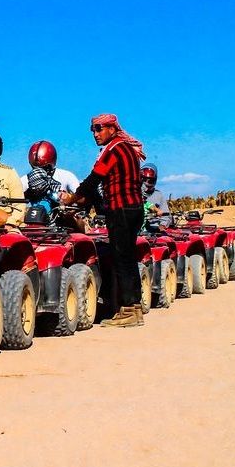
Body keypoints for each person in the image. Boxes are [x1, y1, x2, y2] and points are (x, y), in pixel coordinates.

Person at [60, 113, 146, 327]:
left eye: (99, 129)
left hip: (121, 209)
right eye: (93, 130)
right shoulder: (128, 149)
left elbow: (93, 180)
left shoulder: (113, 150)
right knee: (129, 258)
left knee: (121, 260)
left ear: (112, 129)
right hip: (135, 209)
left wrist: (72, 198)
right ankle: (135, 308)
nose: (95, 134)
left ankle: (128, 310)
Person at [21, 140, 80, 208]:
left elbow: (80, 198)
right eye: (35, 168)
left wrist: (68, 198)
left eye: (44, 168)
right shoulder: (24, 181)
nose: (39, 172)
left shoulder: (66, 176)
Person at [141, 163, 173, 229]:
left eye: (150, 181)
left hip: (154, 229)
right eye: (144, 180)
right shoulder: (133, 194)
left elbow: (166, 216)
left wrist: (162, 226)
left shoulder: (158, 195)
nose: (146, 188)